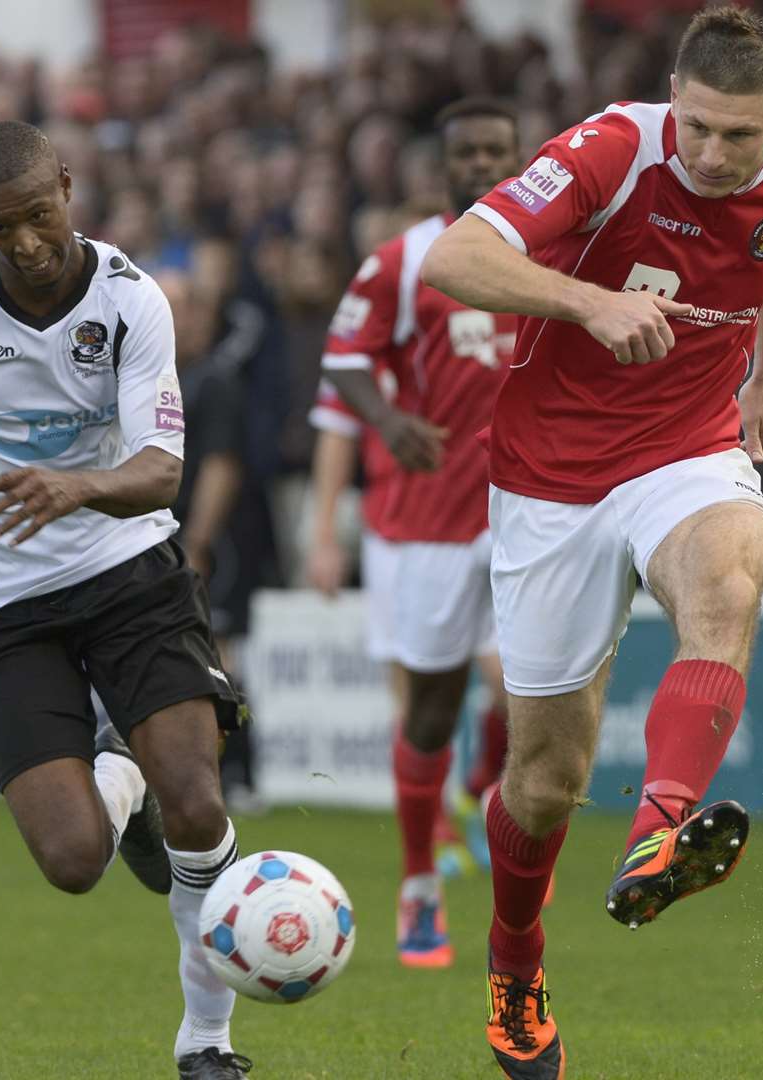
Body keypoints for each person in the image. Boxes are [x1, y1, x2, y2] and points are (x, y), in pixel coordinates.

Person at [419, 7, 763, 1075]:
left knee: (731, 580)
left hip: (684, 449)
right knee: (545, 783)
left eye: (742, 136)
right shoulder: (609, 150)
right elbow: (457, 258)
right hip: (549, 479)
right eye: (698, 127)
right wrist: (587, 301)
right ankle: (515, 961)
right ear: (671, 101)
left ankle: (663, 823)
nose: (716, 155)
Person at [0, 121, 255, 1079]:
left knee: (197, 802)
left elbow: (160, 472)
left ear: (67, 186)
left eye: (37, 213)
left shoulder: (131, 299)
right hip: (1, 604)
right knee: (72, 862)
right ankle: (121, 777)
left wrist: (74, 487)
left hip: (129, 575)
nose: (25, 241)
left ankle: (207, 1043)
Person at [306, 97, 523, 969]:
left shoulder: (550, 253)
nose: (482, 164)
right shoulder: (406, 262)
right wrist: (387, 425)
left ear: (520, 159)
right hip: (426, 523)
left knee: (526, 689)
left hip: (524, 516)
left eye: (496, 151)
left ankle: (488, 808)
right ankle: (418, 882)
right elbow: (343, 362)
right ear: (444, 166)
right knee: (429, 708)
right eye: (466, 151)